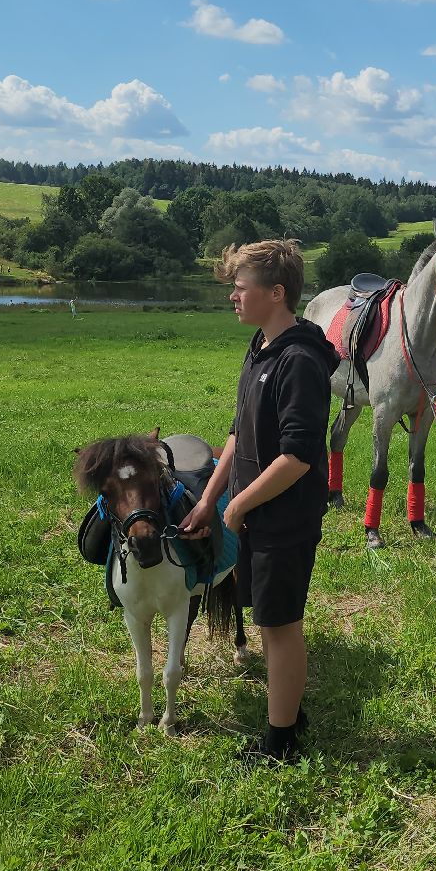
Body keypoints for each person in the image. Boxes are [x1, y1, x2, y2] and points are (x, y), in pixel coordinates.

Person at [182, 240, 338, 764]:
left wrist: (238, 506)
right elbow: (236, 434)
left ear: (276, 293)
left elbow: (297, 457)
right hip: (253, 512)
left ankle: (281, 742)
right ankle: (290, 711)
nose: (233, 295)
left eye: (240, 287)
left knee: (279, 625)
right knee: (270, 619)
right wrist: (210, 499)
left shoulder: (299, 361)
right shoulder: (261, 347)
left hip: (284, 516)